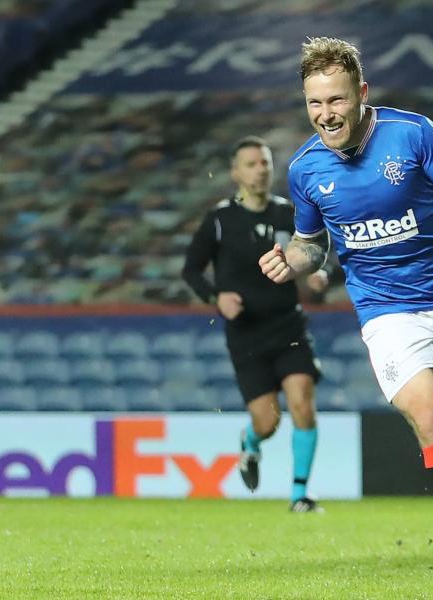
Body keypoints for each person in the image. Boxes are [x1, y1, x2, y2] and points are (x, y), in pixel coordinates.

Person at [260, 36, 433, 600]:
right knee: (430, 419)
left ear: (360, 93)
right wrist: (291, 258)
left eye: (335, 101)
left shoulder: (412, 134)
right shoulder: (306, 169)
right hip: (386, 312)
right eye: (314, 104)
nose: (325, 115)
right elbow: (315, 247)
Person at [182, 135, 328, 513]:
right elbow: (191, 269)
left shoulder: (287, 214)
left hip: (288, 326)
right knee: (268, 422)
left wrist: (316, 274)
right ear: (235, 173)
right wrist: (217, 297)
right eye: (251, 164)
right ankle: (251, 442)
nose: (260, 170)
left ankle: (300, 495)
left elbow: (312, 253)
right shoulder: (219, 220)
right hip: (246, 333)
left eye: (264, 162)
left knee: (303, 402)